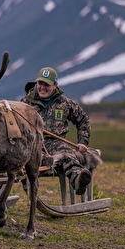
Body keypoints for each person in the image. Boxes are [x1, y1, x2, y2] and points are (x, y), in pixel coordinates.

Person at [22, 67, 93, 195]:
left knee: (66, 154)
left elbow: (83, 120)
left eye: (47, 84)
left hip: (55, 143)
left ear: (55, 85)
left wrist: (82, 141)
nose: (42, 87)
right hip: (31, 143)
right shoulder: (25, 104)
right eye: (40, 83)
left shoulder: (65, 104)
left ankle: (78, 179)